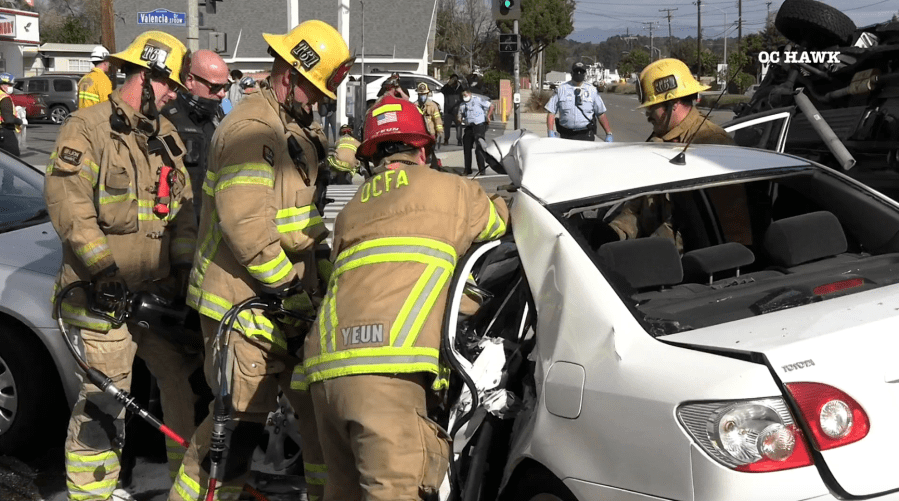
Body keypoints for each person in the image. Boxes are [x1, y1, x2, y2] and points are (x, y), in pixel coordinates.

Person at [169, 20, 353, 501]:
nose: (318, 103)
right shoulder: (253, 130)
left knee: (319, 419)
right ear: (289, 75)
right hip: (243, 305)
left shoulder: (295, 129)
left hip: (286, 307)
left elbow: (302, 224)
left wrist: (323, 283)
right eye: (313, 91)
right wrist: (290, 294)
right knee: (234, 435)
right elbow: (247, 229)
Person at [302, 95, 510, 501]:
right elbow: (501, 220)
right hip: (389, 374)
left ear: (373, 155)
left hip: (325, 374)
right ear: (423, 147)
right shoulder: (453, 190)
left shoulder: (352, 212)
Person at [44, 31, 200, 501]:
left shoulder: (165, 136)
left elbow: (183, 212)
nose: (174, 94)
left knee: (179, 387)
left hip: (154, 297)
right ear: (144, 77)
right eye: (169, 84)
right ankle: (92, 494)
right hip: (100, 298)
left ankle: (184, 484)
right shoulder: (87, 128)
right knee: (105, 402)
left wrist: (182, 270)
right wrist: (104, 271)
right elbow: (68, 203)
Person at [608, 58, 737, 249]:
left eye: (652, 107)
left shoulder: (710, 143)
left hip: (696, 262)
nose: (648, 115)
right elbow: (639, 207)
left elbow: (693, 222)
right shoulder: (661, 141)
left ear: (673, 104)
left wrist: (648, 253)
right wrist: (613, 233)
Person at [160, 50, 229, 220]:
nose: (222, 94)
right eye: (215, 87)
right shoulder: (166, 117)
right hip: (177, 220)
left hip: (209, 220)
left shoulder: (219, 118)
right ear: (190, 80)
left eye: (225, 87)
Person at [638, 58, 733, 144]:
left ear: (673, 102)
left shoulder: (712, 140)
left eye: (651, 107)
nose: (648, 115)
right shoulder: (665, 134)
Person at [545, 62, 613, 141]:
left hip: (586, 135)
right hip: (566, 135)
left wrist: (608, 133)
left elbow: (600, 113)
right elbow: (551, 112)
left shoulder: (592, 91)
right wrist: (550, 131)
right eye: (576, 71)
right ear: (571, 73)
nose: (579, 73)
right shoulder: (561, 90)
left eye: (581, 71)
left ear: (585, 74)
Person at [458, 89, 494, 175]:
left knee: (479, 148)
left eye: (466, 95)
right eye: (463, 96)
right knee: (467, 147)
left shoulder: (477, 100)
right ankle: (467, 169)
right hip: (469, 126)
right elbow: (459, 114)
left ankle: (481, 169)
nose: (465, 97)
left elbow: (491, 106)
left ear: (470, 94)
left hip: (479, 126)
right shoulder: (462, 105)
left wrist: (488, 116)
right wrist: (459, 119)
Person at [0, 73, 23, 157]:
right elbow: (8, 119)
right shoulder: (4, 98)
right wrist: (19, 120)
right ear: (2, 84)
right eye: (9, 84)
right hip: (4, 132)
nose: (11, 87)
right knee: (14, 158)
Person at [440, 73, 465, 146]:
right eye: (452, 79)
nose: (453, 81)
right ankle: (446, 140)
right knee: (447, 126)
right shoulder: (447, 87)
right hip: (448, 110)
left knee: (459, 126)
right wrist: (448, 84)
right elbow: (442, 91)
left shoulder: (460, 88)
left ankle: (459, 140)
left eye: (455, 79)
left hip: (457, 111)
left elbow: (465, 93)